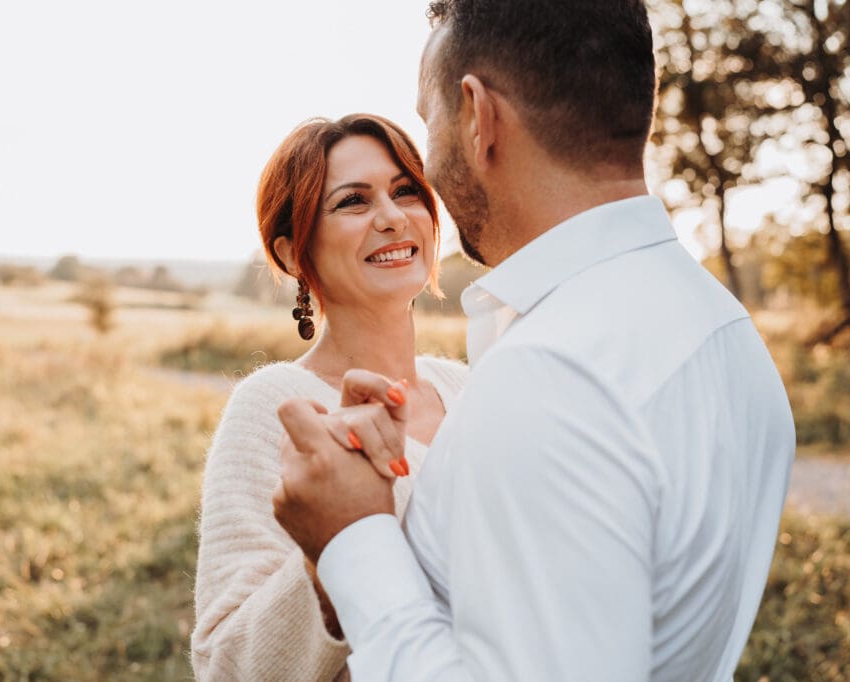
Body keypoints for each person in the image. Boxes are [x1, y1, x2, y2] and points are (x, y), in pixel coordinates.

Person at [271, 2, 796, 680]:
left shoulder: (551, 373)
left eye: (429, 122)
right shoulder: (723, 328)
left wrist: (353, 539)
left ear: (477, 115)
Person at [189, 113, 468, 681]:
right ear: (294, 253)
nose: (392, 217)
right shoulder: (276, 408)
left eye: (405, 191)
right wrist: (330, 550)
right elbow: (224, 664)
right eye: (353, 202)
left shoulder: (467, 386)